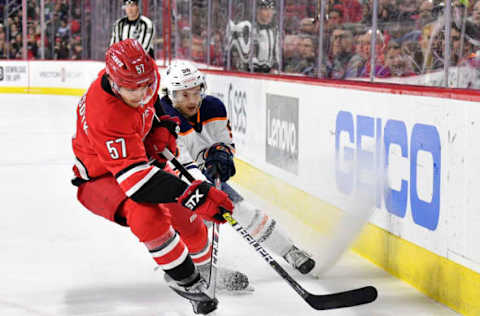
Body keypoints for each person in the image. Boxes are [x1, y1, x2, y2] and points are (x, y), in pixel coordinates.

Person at [71, 39, 244, 315]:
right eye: (131, 89)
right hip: (101, 177)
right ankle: (188, 280)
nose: (141, 93)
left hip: (135, 158)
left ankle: (206, 270)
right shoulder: (105, 115)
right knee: (147, 216)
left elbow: (153, 105)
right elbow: (138, 184)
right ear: (114, 84)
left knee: (187, 219)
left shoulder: (142, 74)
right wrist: (195, 194)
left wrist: (162, 126)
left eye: (146, 85)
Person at [158, 60, 316, 276]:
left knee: (242, 210)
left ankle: (290, 250)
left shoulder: (213, 107)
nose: (192, 100)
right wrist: (207, 185)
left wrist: (221, 156)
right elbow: (181, 163)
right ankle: (189, 273)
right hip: (173, 183)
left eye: (196, 92)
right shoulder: (164, 118)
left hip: (202, 176)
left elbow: (225, 144)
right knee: (192, 227)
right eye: (185, 95)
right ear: (171, 93)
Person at [228, 0, 280, 73]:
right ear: (258, 10)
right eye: (265, 9)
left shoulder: (274, 30)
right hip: (249, 74)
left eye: (271, 10)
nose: (269, 13)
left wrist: (275, 68)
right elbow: (239, 55)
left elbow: (276, 53)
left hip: (267, 74)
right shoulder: (248, 28)